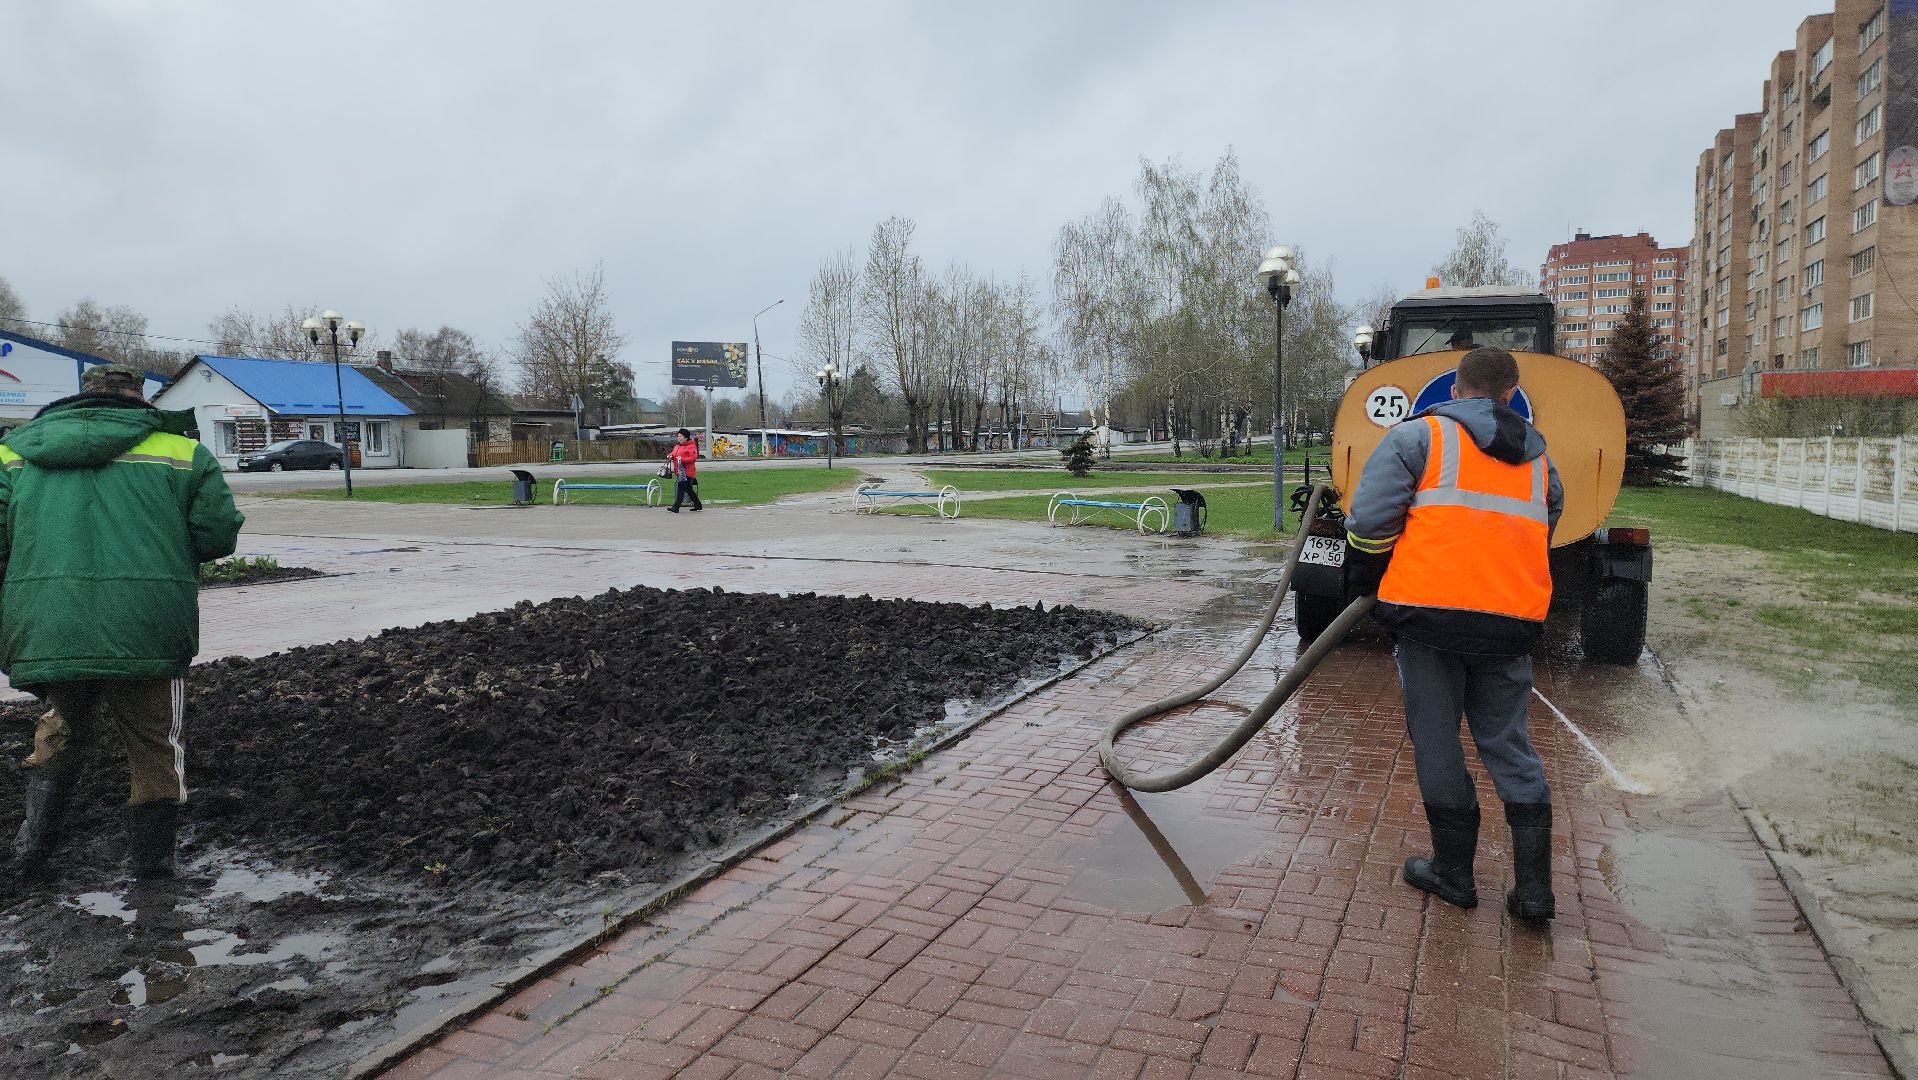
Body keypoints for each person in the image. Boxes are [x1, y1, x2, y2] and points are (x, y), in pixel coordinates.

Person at [1341, 347, 1564, 921]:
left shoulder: (1420, 439)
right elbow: (1541, 528)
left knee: (1438, 741)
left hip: (1430, 619)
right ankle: (1534, 892)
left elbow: (1368, 523)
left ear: (1456, 389)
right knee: (1509, 744)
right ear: (1511, 395)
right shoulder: (1540, 461)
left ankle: (1454, 874)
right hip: (1510, 622)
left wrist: (1369, 576)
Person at [3, 364, 244, 881]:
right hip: (148, 624)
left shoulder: (13, 454)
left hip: (51, 622)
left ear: (79, 397)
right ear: (141, 399)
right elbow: (218, 535)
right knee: (157, 741)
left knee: (62, 729)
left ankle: (30, 857)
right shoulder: (183, 452)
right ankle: (151, 867)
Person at [666, 427, 702, 513]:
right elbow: (674, 454)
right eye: (678, 436)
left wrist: (682, 459)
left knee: (681, 488)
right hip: (679, 471)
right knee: (688, 489)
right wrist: (670, 456)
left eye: (681, 436)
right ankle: (698, 505)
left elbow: (693, 458)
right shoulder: (677, 446)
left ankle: (676, 507)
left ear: (686, 437)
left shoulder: (691, 446)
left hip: (687, 472)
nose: (679, 438)